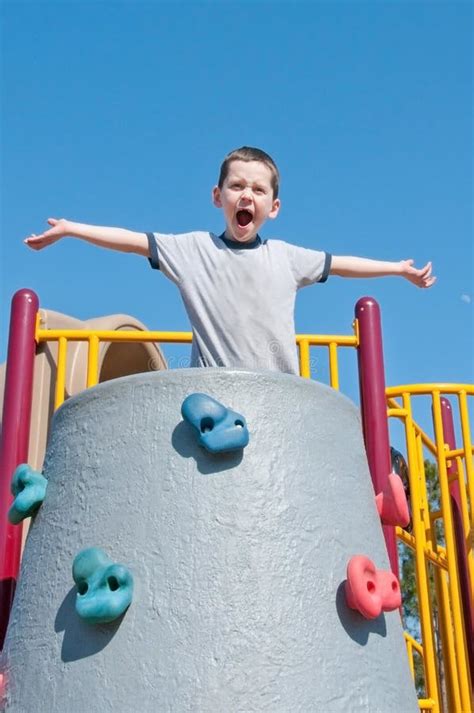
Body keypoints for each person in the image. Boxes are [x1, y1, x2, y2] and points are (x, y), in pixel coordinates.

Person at [24, 146, 435, 375]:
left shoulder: (286, 258)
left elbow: (342, 264)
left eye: (258, 190)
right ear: (217, 197)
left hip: (277, 392)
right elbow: (133, 241)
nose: (246, 195)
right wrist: (72, 228)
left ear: (273, 207)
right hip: (215, 392)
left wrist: (397, 269)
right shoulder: (193, 251)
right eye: (236, 185)